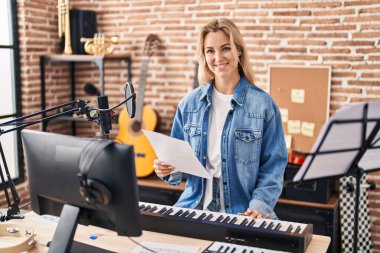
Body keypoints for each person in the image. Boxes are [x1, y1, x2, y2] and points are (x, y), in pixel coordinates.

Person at [153, 18, 287, 219]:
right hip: (194, 208)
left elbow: (274, 166)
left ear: (238, 50)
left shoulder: (264, 105)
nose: (218, 57)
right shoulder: (188, 104)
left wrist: (259, 207)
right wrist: (166, 170)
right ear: (204, 55)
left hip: (245, 212)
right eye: (210, 51)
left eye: (225, 48)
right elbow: (177, 167)